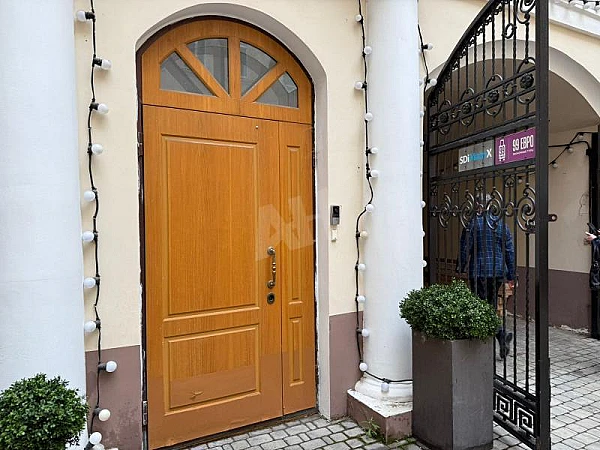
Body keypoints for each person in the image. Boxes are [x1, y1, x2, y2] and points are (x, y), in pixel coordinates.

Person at [459, 196, 516, 358]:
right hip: (498, 271)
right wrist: (511, 274)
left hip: (479, 271)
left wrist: (461, 266)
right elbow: (509, 251)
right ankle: (500, 335)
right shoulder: (501, 225)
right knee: (490, 305)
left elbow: (465, 247)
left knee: (480, 306)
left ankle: (495, 336)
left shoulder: (473, 224)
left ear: (478, 205)